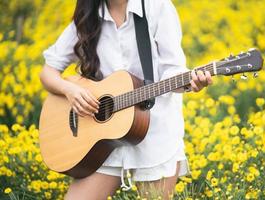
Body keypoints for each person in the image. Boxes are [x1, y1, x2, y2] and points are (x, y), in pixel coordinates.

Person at [39, 0, 212, 199]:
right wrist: (70, 90)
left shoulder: (157, 7)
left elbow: (172, 68)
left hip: (154, 136)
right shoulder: (89, 15)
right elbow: (48, 71)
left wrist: (190, 81)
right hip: (101, 140)